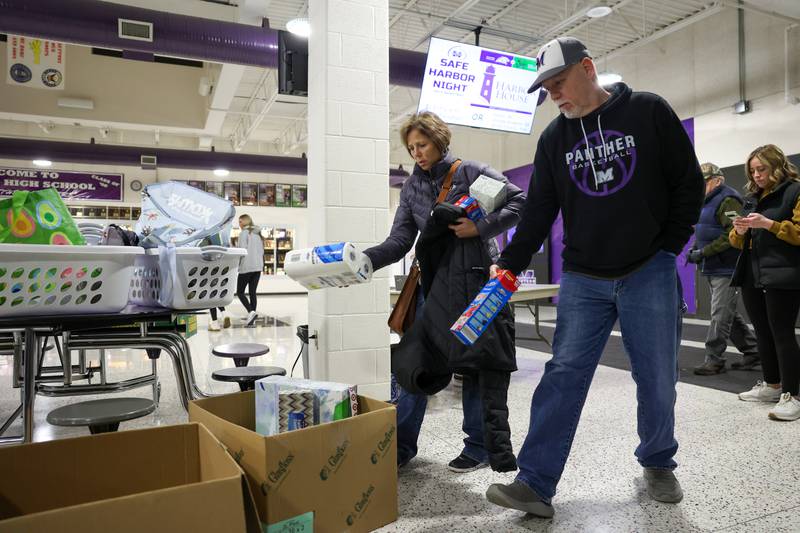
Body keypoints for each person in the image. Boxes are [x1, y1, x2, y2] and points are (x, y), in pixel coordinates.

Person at [483, 37, 704, 517]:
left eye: (559, 82)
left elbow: (686, 182)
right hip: (584, 275)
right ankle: (534, 482)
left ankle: (658, 460)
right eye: (546, 89)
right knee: (563, 373)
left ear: (588, 67)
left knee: (657, 374)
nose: (554, 95)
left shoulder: (647, 111)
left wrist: (669, 245)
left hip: (649, 267)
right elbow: (538, 211)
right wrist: (508, 266)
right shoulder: (553, 140)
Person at [363, 111, 525, 472]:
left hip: (475, 283)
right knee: (414, 361)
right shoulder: (412, 188)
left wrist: (479, 228)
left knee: (476, 364)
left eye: (421, 145)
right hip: (434, 284)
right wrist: (363, 261)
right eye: (411, 148)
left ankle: (479, 445)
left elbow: (517, 204)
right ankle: (402, 446)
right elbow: (400, 240)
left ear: (439, 141)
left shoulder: (469, 173)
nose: (416, 153)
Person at [730, 144, 800, 421]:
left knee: (782, 333)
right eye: (752, 171)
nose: (757, 175)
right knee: (761, 331)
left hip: (783, 272)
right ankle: (772, 385)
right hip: (752, 272)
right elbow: (738, 243)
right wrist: (738, 231)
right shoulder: (751, 197)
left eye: (762, 169)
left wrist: (768, 224)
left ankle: (792, 395)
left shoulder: (795, 190)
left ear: (777, 166)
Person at [688, 163, 759, 375]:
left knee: (719, 313)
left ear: (717, 181)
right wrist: (696, 248)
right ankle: (753, 352)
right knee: (727, 312)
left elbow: (733, 234)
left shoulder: (728, 200)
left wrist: (704, 252)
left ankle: (714, 359)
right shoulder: (706, 200)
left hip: (727, 266)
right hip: (714, 266)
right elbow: (707, 230)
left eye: (704, 182)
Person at [236, 214, 265, 326]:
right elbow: (262, 252)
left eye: (240, 221)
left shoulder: (244, 233)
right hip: (258, 267)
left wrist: (238, 264)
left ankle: (251, 312)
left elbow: (242, 251)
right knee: (252, 292)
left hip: (246, 267)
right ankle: (252, 318)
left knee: (240, 292)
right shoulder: (258, 234)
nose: (239, 224)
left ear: (245, 222)